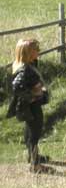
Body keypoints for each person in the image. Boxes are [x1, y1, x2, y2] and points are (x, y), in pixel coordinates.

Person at [7, 38, 49, 171]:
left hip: (29, 105)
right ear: (28, 53)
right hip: (31, 105)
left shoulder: (28, 64)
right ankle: (35, 165)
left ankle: (32, 156)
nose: (39, 51)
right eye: (36, 50)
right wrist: (32, 95)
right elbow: (17, 86)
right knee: (34, 133)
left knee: (30, 130)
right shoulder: (25, 69)